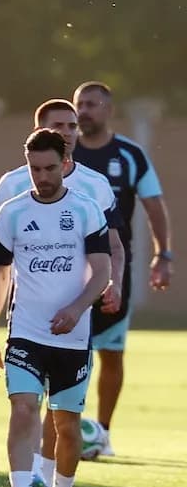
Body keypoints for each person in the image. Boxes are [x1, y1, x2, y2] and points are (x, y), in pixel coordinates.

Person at [0, 128, 112, 487]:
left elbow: (103, 271)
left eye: (50, 168)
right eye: (35, 168)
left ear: (65, 162)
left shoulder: (87, 210)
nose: (42, 176)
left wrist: (76, 309)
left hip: (73, 336)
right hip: (26, 331)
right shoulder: (12, 212)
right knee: (23, 410)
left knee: (65, 424)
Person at [72, 81, 173, 456]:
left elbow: (155, 206)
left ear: (108, 110)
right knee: (64, 348)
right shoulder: (64, 152)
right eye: (80, 104)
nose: (84, 111)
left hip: (115, 266)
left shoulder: (130, 155)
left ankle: (103, 432)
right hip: (65, 267)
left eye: (92, 104)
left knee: (111, 352)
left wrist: (164, 257)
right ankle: (62, 430)